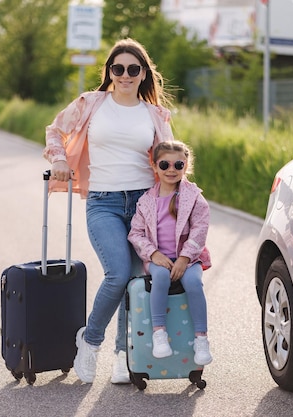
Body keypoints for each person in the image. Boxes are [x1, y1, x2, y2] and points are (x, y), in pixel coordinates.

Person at [43, 38, 175, 384]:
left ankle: (123, 355)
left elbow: (170, 160)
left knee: (134, 280)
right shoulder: (91, 103)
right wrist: (58, 158)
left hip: (144, 206)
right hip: (104, 201)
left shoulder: (155, 115)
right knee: (117, 273)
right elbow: (55, 129)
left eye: (134, 69)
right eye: (119, 69)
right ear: (110, 72)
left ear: (144, 73)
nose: (126, 75)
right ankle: (90, 342)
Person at [128, 140, 213, 366]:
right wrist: (153, 254)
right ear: (155, 167)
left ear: (186, 167)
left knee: (194, 283)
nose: (171, 170)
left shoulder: (194, 197)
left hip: (189, 258)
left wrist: (185, 259)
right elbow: (135, 233)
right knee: (161, 277)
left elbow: (200, 228)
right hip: (159, 259)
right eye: (165, 165)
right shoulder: (146, 201)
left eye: (178, 165)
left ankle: (201, 339)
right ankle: (159, 334)